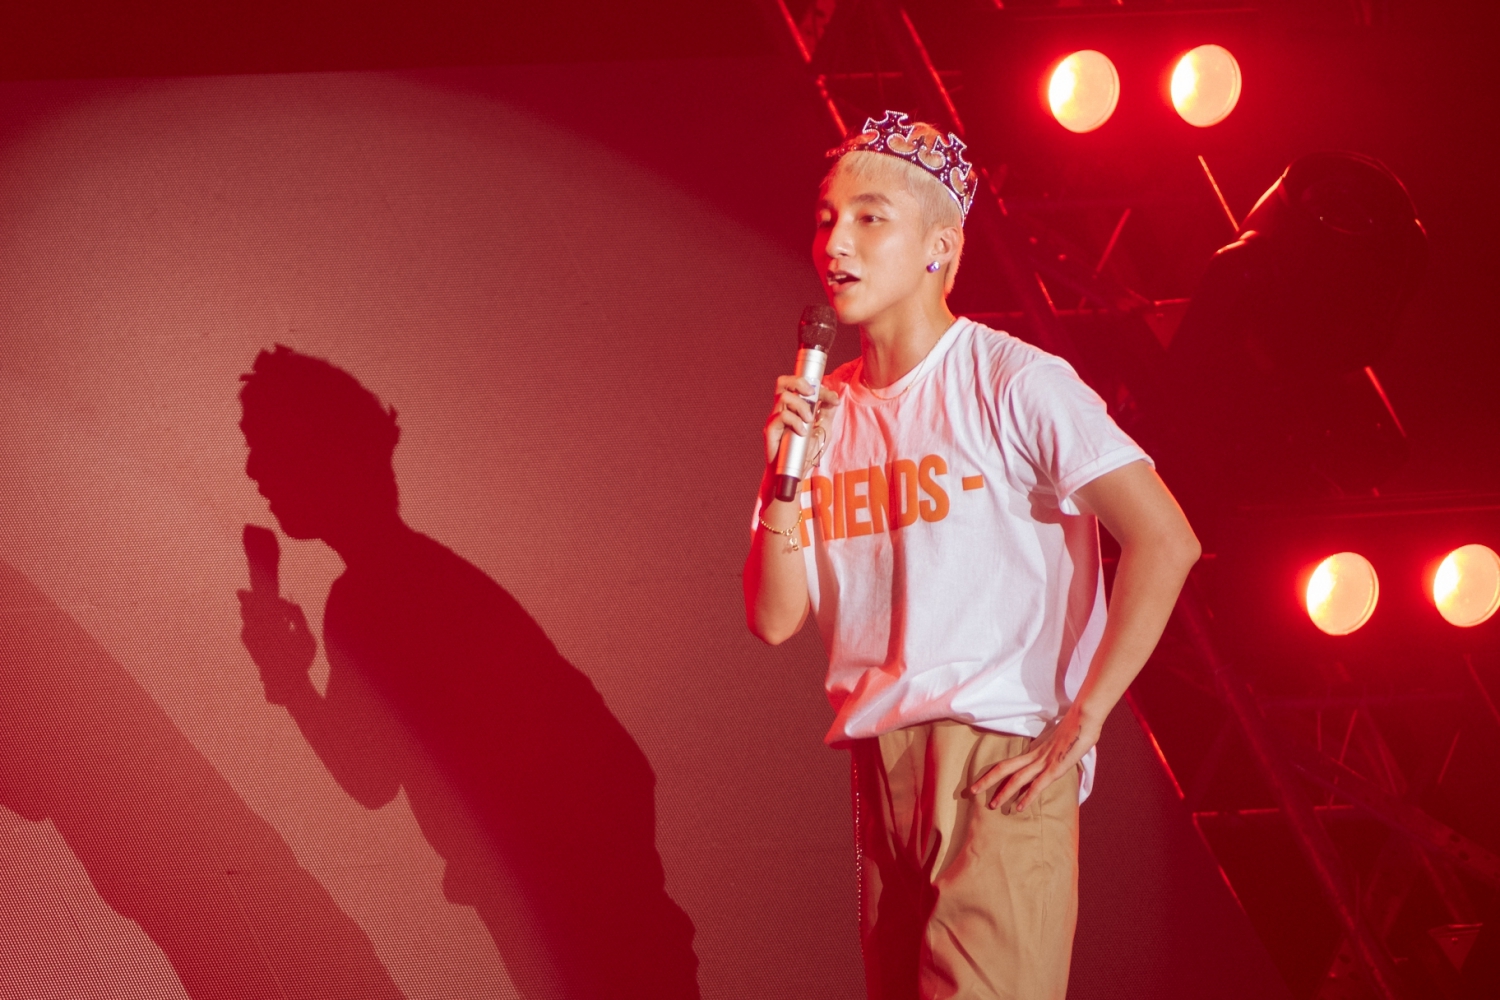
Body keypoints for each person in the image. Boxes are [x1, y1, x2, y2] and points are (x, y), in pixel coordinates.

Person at [743, 112, 1201, 1000]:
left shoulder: (1013, 380)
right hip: (880, 765)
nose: (836, 243)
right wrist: (781, 478)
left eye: (869, 218)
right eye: (826, 219)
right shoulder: (823, 414)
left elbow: (1165, 537)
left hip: (998, 754)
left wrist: (1085, 715)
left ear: (939, 247)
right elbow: (773, 618)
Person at [237, 345, 699, 1000]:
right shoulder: (406, 580)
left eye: (270, 447)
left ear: (325, 453)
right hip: (578, 893)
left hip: (568, 899)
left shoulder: (375, 596)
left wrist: (291, 684)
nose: (255, 471)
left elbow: (368, 779)